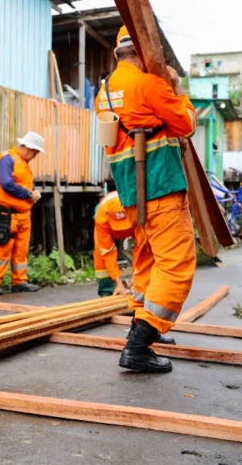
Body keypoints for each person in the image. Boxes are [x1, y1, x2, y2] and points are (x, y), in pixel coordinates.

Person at [95, 25, 197, 373]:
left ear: (116, 53)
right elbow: (185, 124)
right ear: (145, 53)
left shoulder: (104, 92)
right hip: (161, 186)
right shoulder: (150, 84)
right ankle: (139, 345)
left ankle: (141, 326)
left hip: (130, 193)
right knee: (176, 264)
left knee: (147, 261)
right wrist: (176, 89)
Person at [93, 191, 176, 345]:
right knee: (101, 255)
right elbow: (108, 251)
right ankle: (107, 296)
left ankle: (143, 319)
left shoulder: (137, 213)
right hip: (107, 223)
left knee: (146, 260)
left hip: (133, 218)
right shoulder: (101, 217)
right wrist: (118, 282)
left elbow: (140, 249)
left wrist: (135, 277)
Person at [0, 131, 45, 296]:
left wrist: (33, 191)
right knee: (3, 248)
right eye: (35, 152)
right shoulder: (7, 159)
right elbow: (6, 184)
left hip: (23, 214)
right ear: (27, 148)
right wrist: (29, 194)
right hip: (7, 213)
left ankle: (19, 281)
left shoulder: (24, 163)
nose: (35, 156)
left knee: (21, 249)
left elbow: (22, 184)